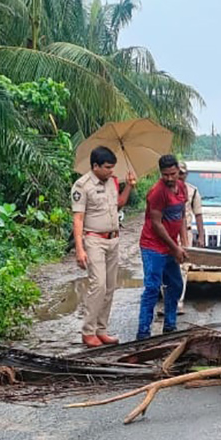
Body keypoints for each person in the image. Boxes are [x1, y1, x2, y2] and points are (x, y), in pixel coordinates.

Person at [71, 146, 136, 347]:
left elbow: (119, 204)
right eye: (107, 167)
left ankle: (101, 329)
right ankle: (88, 331)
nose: (111, 171)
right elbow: (78, 219)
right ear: (95, 166)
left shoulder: (112, 182)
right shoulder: (82, 186)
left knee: (109, 286)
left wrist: (130, 186)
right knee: (97, 285)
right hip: (94, 240)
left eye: (112, 167)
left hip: (113, 240)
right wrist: (80, 249)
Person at [137, 154, 188, 340]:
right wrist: (175, 248)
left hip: (170, 247)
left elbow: (182, 215)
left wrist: (184, 243)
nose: (169, 178)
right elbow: (157, 225)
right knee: (152, 288)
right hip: (153, 247)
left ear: (178, 172)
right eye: (165, 174)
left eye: (172, 174)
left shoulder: (182, 188)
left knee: (175, 284)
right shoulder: (157, 192)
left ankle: (170, 325)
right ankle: (143, 333)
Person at [158, 161, 205, 316]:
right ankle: (167, 302)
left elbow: (197, 214)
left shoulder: (192, 191)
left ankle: (178, 302)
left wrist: (201, 236)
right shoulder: (161, 190)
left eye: (182, 173)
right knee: (165, 267)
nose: (180, 176)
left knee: (183, 268)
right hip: (167, 233)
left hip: (185, 232)